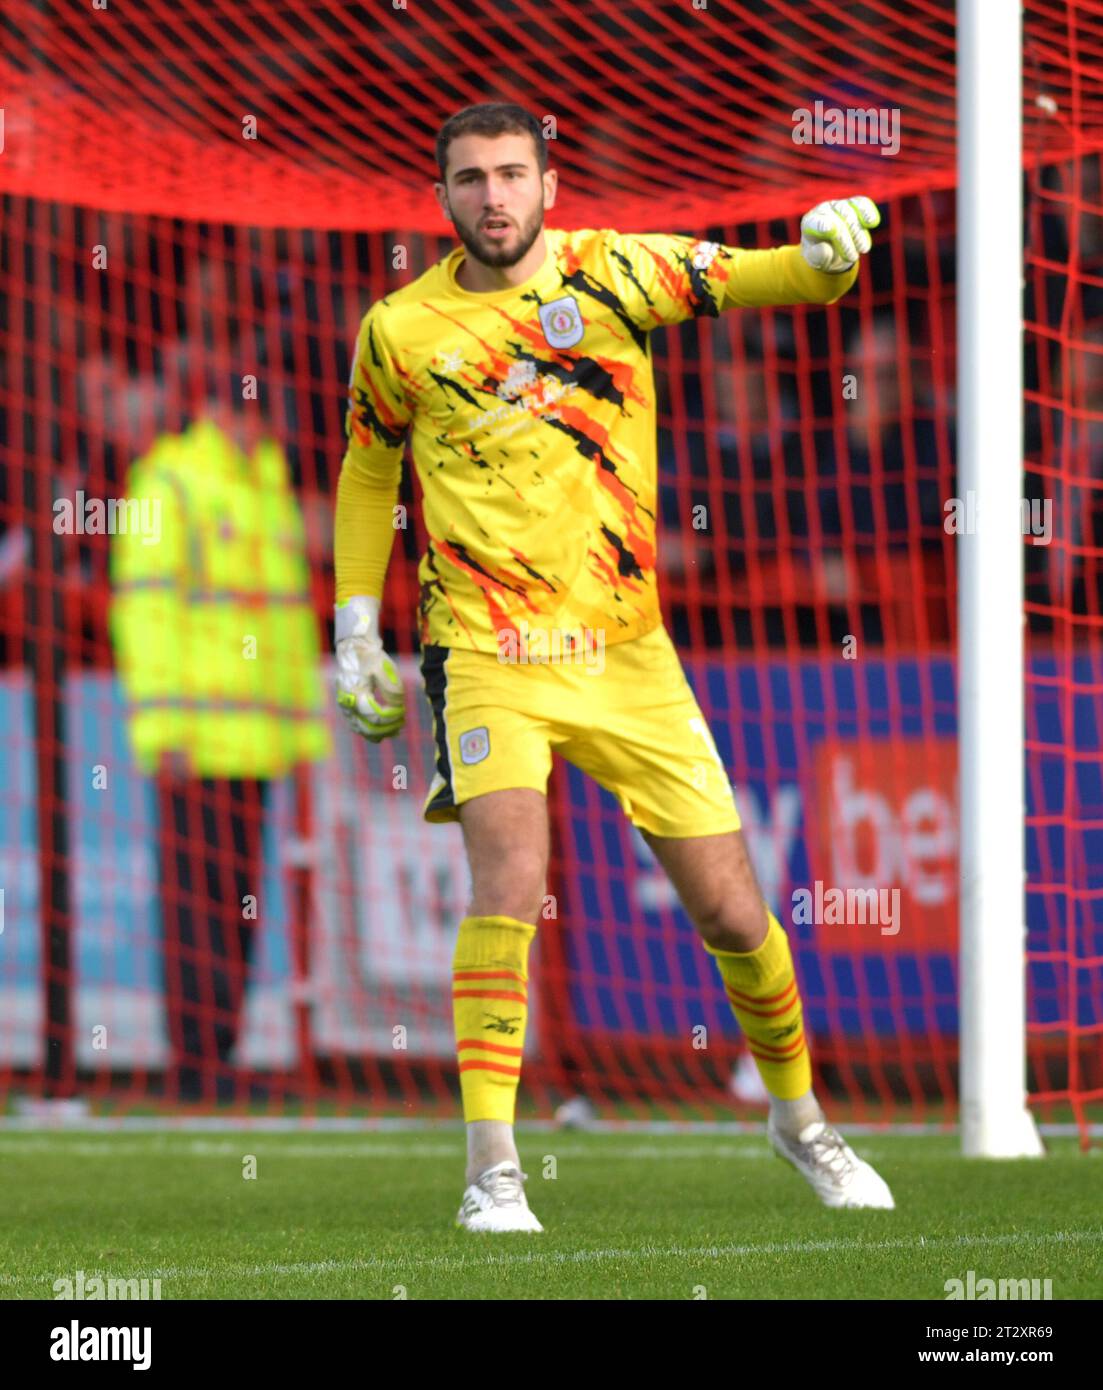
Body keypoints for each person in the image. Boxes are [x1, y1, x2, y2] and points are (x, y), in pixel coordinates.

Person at [333, 101, 893, 1230]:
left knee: (733, 913)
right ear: (439, 197)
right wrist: (355, 623)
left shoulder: (618, 273)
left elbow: (774, 278)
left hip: (626, 653)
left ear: (550, 185)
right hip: (484, 648)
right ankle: (491, 1170)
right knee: (508, 880)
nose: (492, 196)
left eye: (510, 174)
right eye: (469, 179)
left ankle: (798, 1118)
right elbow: (365, 468)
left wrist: (830, 245)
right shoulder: (398, 329)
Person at [110, 392, 331, 1103]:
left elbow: (287, 618)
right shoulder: (168, 481)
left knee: (237, 902)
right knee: (194, 905)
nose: (269, 428)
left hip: (254, 738)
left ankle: (219, 1056)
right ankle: (195, 1062)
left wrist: (298, 729)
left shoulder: (263, 484)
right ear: (219, 409)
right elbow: (144, 609)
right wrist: (164, 730)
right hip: (196, 739)